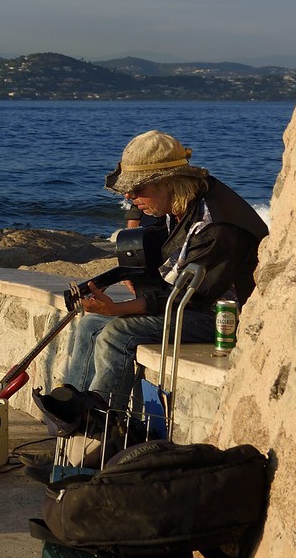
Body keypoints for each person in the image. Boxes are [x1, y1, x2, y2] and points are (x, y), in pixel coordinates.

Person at [65, 130, 268, 409]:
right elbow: (163, 249)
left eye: (138, 189)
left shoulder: (218, 227)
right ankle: (71, 410)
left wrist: (118, 309)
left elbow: (187, 299)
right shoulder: (183, 201)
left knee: (117, 334)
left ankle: (100, 423)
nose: (129, 195)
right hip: (190, 303)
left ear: (169, 183)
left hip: (222, 317)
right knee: (89, 325)